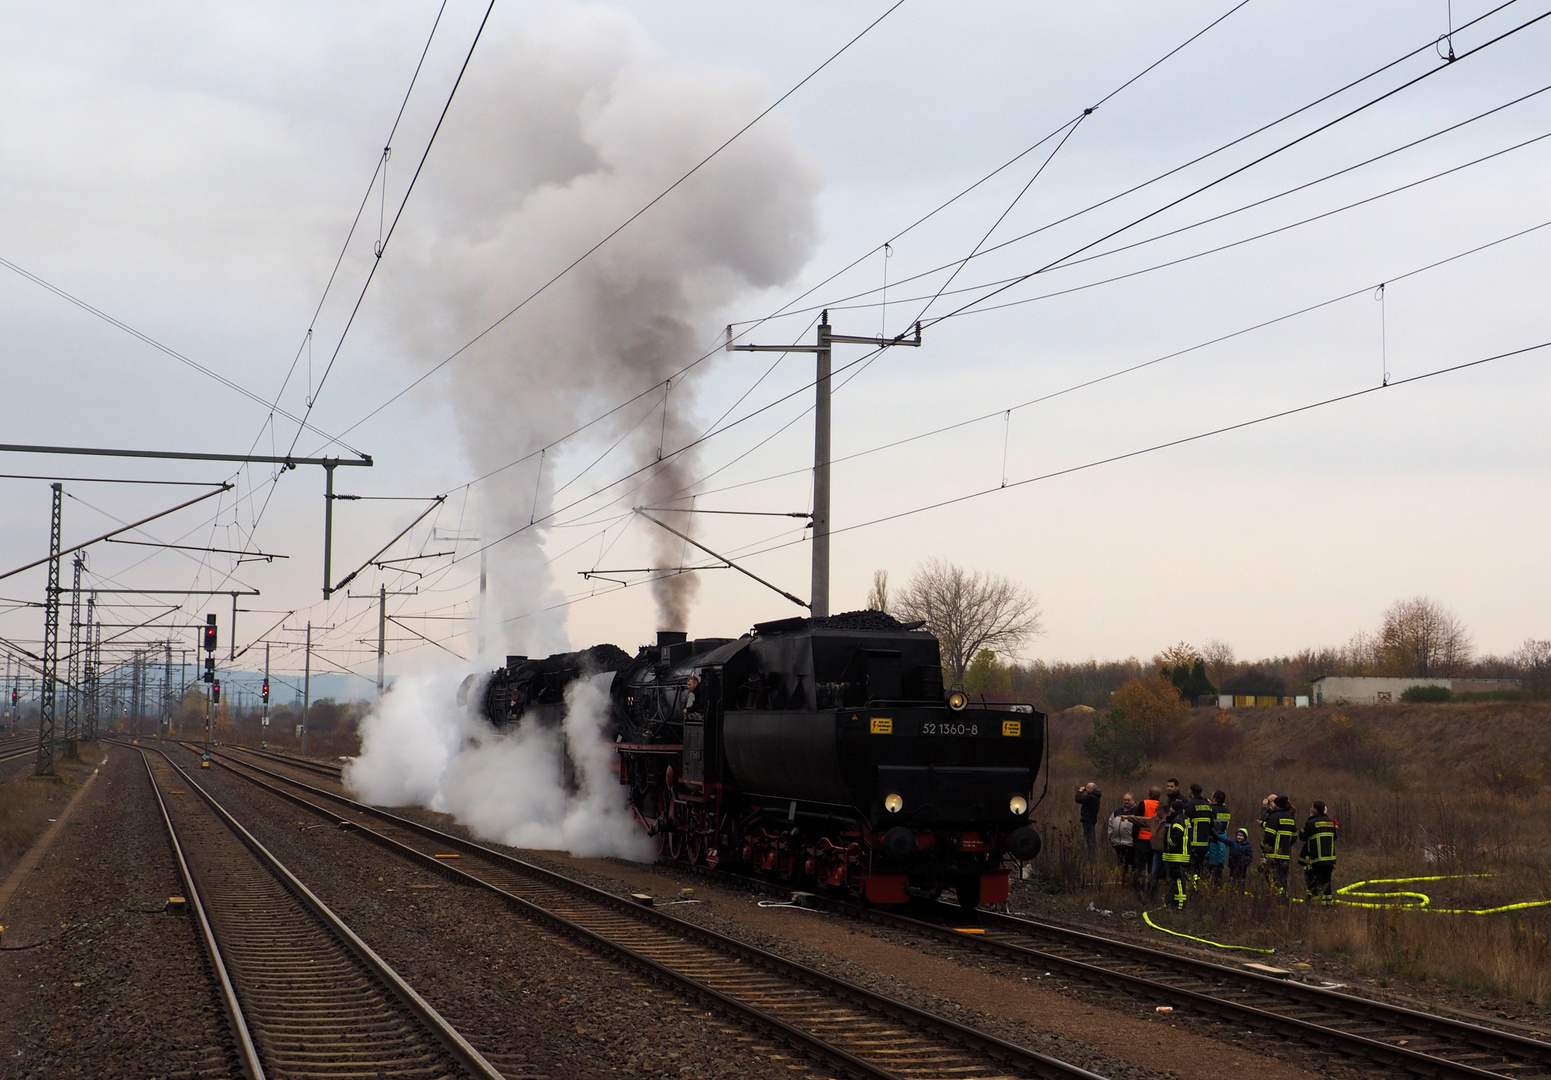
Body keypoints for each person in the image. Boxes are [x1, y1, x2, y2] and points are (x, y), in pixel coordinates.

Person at [1298, 800, 1339, 903]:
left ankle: (1315, 903)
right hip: (1330, 859)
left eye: (1312, 807)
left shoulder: (1311, 822)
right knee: (1327, 882)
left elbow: (1302, 836)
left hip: (1317, 859)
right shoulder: (1330, 822)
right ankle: (1328, 904)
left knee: (1315, 881)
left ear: (1315, 809)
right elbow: (1335, 836)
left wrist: (1310, 818)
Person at [1260, 794, 1298, 895]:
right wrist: (1285, 846)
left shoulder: (1273, 817)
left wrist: (1263, 846)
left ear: (1276, 805)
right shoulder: (1290, 818)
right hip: (1285, 855)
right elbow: (1294, 837)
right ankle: (1283, 899)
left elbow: (1269, 837)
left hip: (1272, 856)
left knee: (1271, 880)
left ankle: (1272, 899)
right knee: (1283, 880)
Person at [1127, 787, 1162, 892]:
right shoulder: (1161, 806)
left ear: (1149, 794)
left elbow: (1137, 822)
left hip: (1142, 839)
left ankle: (1140, 890)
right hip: (1155, 841)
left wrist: (1134, 838)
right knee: (1153, 868)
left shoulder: (1143, 804)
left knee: (1140, 867)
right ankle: (1152, 890)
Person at [1160, 802, 1191, 909]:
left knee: (1178, 879)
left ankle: (1179, 904)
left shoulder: (1177, 820)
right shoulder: (1185, 818)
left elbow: (1178, 834)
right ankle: (1175, 902)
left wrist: (1171, 843)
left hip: (1177, 855)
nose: (1170, 809)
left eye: (1171, 808)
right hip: (1183, 854)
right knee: (1179, 879)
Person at [1185, 783, 1213, 877]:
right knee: (1199, 868)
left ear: (1191, 792)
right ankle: (1197, 886)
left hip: (1192, 843)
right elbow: (1212, 824)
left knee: (1189, 869)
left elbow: (1185, 823)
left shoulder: (1189, 805)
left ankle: (1191, 887)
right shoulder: (1208, 806)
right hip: (1205, 844)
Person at [1108, 792, 1137, 871]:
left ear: (1133, 800)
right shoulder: (1117, 812)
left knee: (1132, 866)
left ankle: (1132, 881)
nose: (1126, 802)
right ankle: (1122, 881)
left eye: (1128, 800)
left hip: (1131, 845)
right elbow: (1110, 824)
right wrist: (1110, 836)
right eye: (1125, 800)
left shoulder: (1137, 812)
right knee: (1121, 866)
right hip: (1118, 843)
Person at [1075, 782, 1103, 858]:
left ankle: (1092, 856)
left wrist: (1080, 791)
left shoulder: (1091, 797)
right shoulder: (1095, 797)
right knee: (1091, 837)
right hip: (1091, 820)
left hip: (1088, 820)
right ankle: (1093, 854)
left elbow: (1078, 799)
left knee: (1090, 837)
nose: (1086, 789)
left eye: (1087, 787)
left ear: (1091, 789)